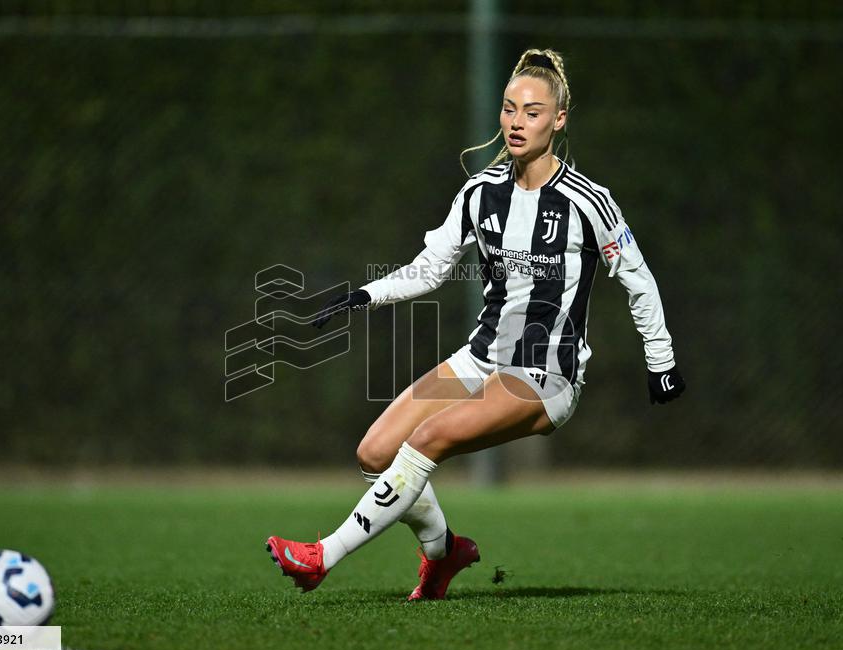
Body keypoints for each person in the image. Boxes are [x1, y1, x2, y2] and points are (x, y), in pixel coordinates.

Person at [265, 47, 685, 600]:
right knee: (375, 452)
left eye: (532, 112)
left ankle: (323, 556)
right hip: (480, 358)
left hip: (545, 374)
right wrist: (364, 294)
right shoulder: (481, 191)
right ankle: (443, 553)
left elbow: (639, 279)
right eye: (509, 108)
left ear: (558, 120)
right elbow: (430, 269)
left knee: (427, 438)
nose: (516, 122)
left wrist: (662, 360)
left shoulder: (589, 202)